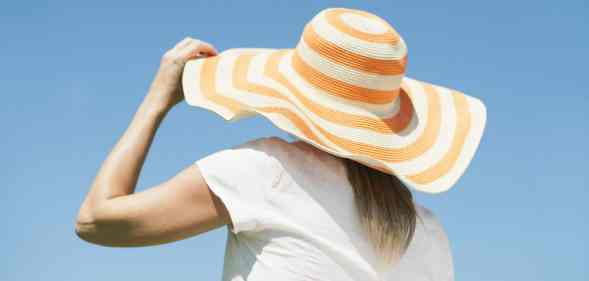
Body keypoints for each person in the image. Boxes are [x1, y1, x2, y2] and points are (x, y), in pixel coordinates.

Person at [75, 8, 486, 281]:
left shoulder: (267, 172)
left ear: (295, 93)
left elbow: (95, 220)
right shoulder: (431, 235)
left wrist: (156, 102)